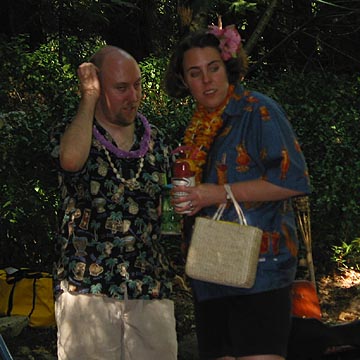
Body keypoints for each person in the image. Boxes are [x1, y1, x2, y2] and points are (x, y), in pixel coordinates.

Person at [164, 25, 311, 360]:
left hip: (260, 272)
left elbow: (293, 181)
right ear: (184, 81)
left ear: (227, 66)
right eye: (195, 73)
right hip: (211, 270)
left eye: (213, 68)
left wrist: (217, 193)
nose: (207, 80)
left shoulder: (258, 110)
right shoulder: (199, 123)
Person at [51, 45, 177, 360]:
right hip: (87, 291)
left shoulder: (158, 141)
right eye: (121, 88)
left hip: (149, 288)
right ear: (98, 87)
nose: (133, 96)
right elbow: (69, 160)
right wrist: (89, 98)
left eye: (137, 85)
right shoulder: (75, 133)